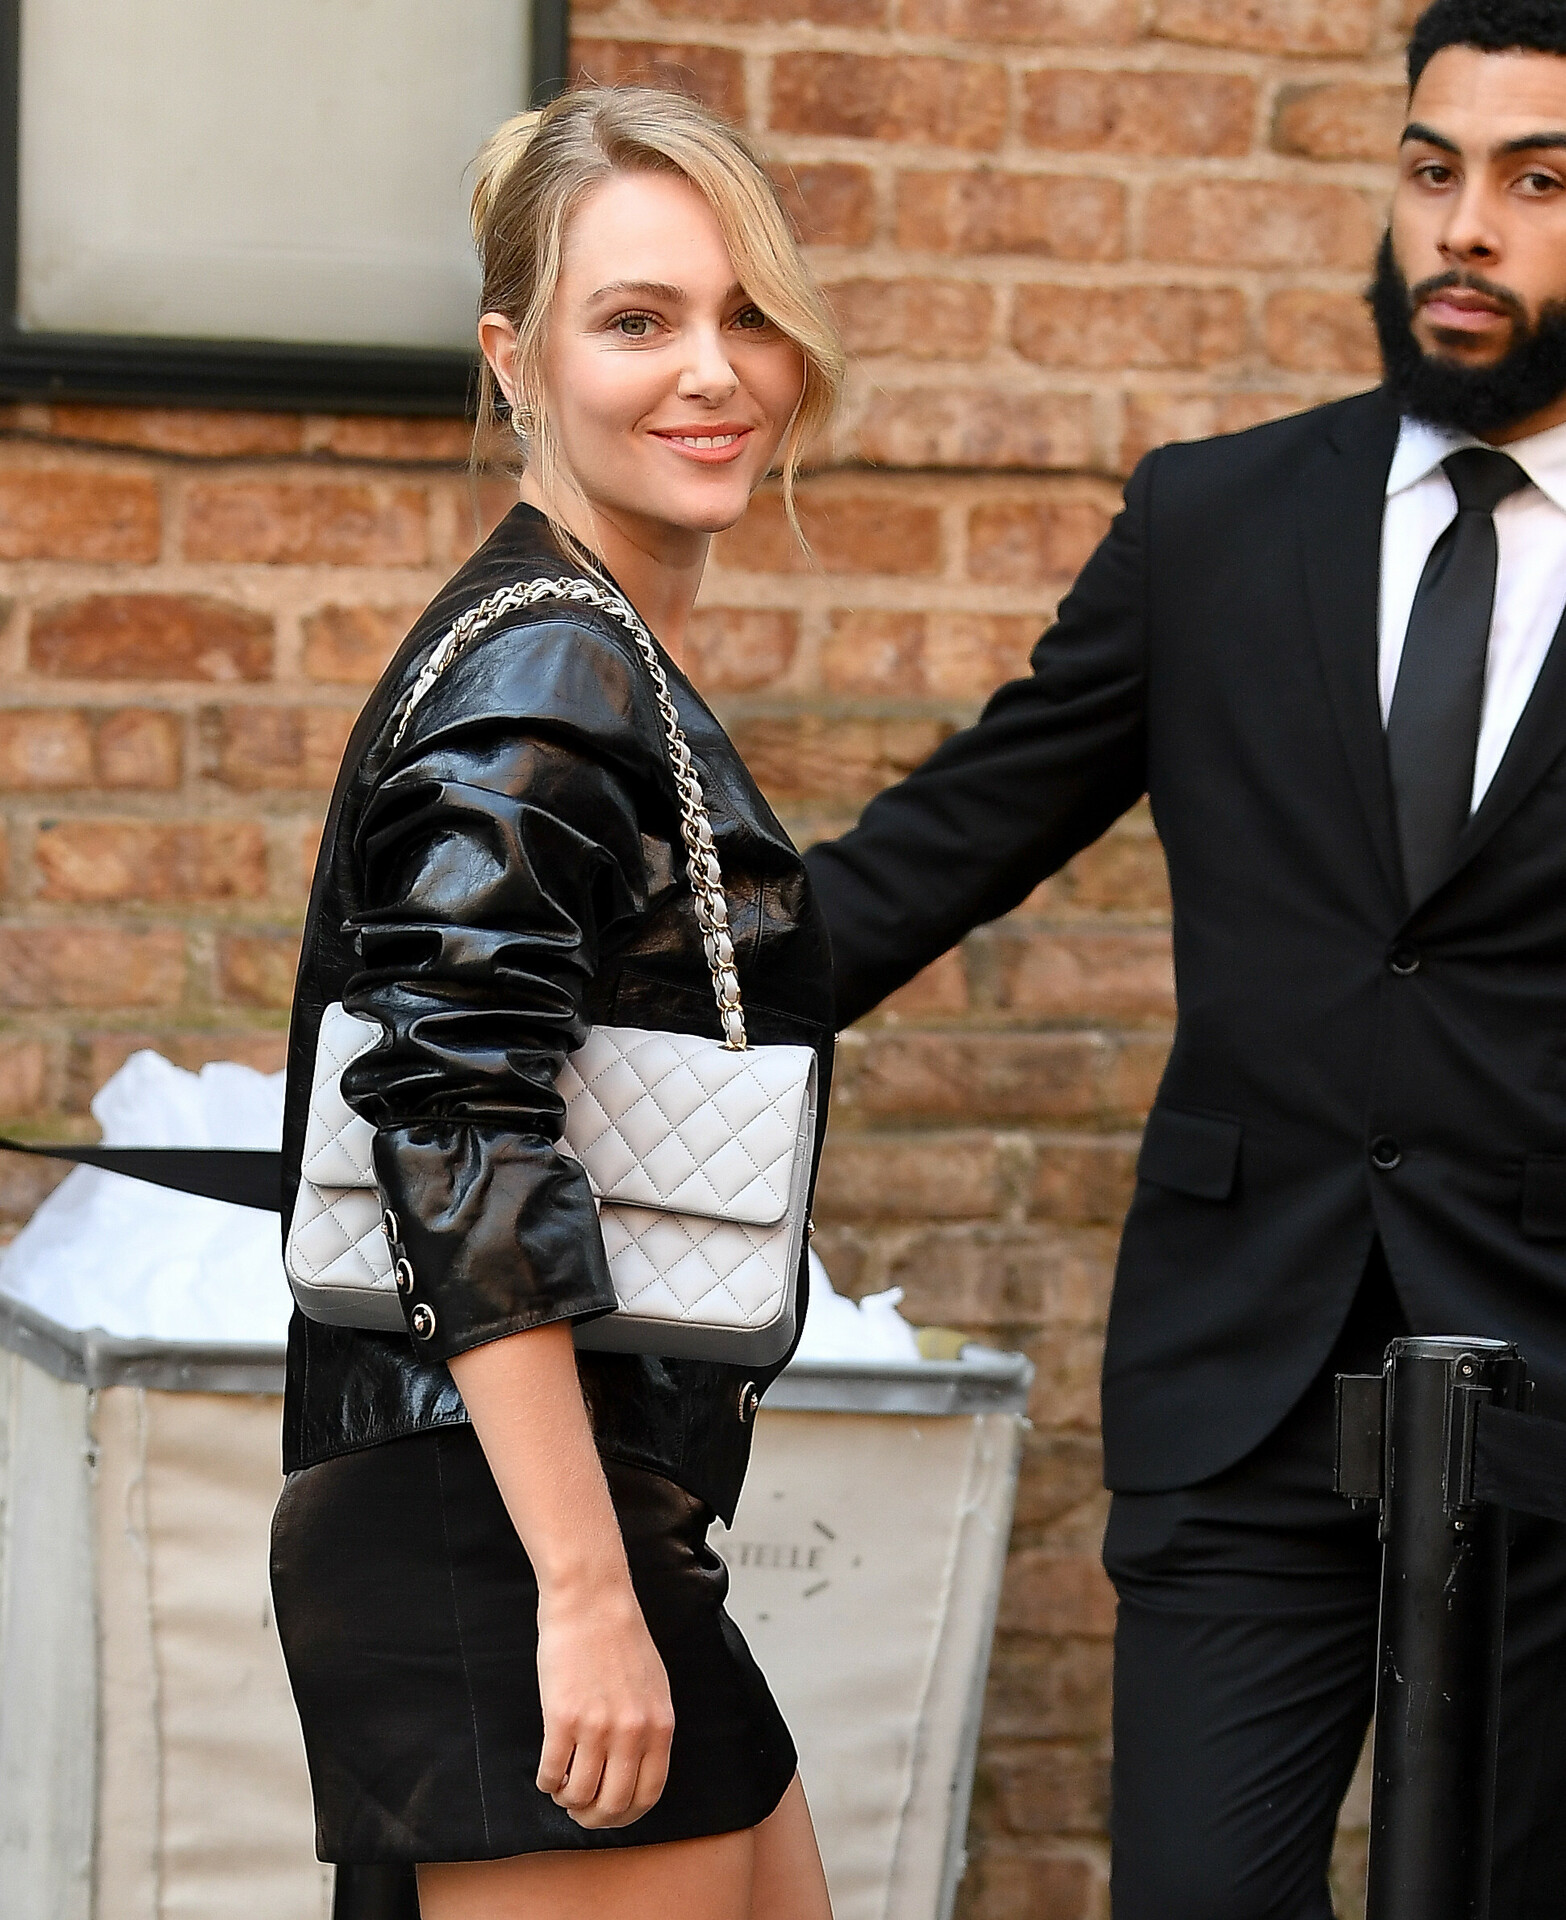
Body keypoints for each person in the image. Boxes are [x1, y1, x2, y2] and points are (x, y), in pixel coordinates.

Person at [801, 4, 1566, 1915]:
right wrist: (596, 1008)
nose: (1464, 226)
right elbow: (944, 845)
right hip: (1247, 1373)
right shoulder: (1213, 521)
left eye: (1538, 181)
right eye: (1431, 169)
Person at [269, 87, 842, 1920]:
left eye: (746, 314)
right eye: (638, 319)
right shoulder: (548, 671)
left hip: (566, 1507)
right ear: (514, 360)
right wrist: (585, 1598)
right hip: (511, 1529)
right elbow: (455, 1120)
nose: (713, 371)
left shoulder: (580, 647)